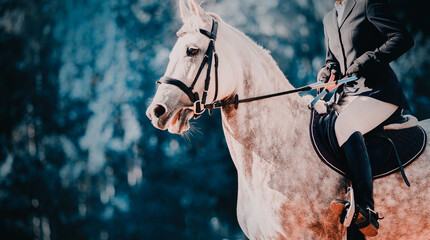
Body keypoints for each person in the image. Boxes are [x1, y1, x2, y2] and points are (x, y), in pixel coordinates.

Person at [317, 0, 414, 237]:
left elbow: (402, 38)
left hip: (380, 93)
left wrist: (367, 60)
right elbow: (334, 59)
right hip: (349, 97)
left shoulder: (367, 4)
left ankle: (365, 207)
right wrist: (327, 71)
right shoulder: (329, 19)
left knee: (345, 124)